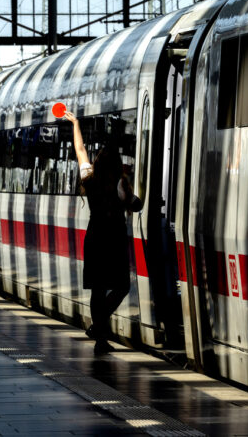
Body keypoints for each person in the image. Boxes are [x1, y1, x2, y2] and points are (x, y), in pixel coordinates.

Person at [62, 111, 142, 355]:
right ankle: (98, 330)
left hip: (95, 238)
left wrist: (75, 124)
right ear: (117, 167)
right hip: (115, 240)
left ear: (99, 162)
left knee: (98, 289)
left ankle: (100, 334)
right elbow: (137, 205)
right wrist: (127, 183)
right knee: (121, 287)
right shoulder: (121, 186)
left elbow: (80, 151)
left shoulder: (90, 178)